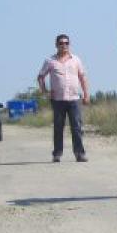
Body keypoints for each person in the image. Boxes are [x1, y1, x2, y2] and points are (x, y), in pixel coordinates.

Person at [36, 33, 89, 162]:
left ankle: (79, 153)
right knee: (58, 127)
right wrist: (45, 91)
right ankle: (57, 154)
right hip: (58, 100)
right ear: (56, 45)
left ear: (69, 45)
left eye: (66, 43)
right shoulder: (50, 61)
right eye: (61, 43)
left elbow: (82, 77)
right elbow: (41, 76)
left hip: (74, 99)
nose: (64, 45)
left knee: (76, 127)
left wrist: (86, 94)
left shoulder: (76, 59)